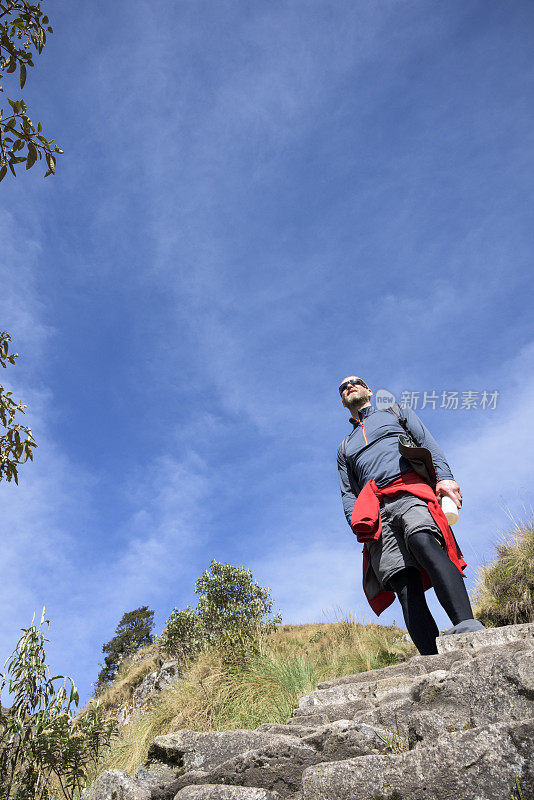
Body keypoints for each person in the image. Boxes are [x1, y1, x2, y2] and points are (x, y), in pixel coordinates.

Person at [336, 376, 484, 655]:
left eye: (355, 382)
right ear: (342, 401)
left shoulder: (395, 412)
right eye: (343, 387)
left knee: (423, 542)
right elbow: (348, 492)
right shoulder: (344, 447)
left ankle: (466, 625)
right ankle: (431, 657)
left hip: (409, 490)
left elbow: (428, 442)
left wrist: (446, 479)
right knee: (402, 580)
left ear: (368, 390)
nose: (348, 387)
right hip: (377, 513)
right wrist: (356, 522)